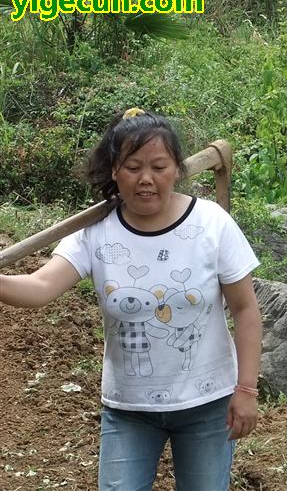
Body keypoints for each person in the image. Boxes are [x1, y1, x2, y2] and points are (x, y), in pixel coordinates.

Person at [0, 108, 262, 490]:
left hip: (208, 404)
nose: (146, 179)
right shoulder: (94, 233)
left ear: (177, 168)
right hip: (129, 409)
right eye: (133, 167)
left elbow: (246, 309)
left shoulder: (210, 224)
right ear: (114, 171)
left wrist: (247, 389)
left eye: (158, 166)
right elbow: (40, 288)